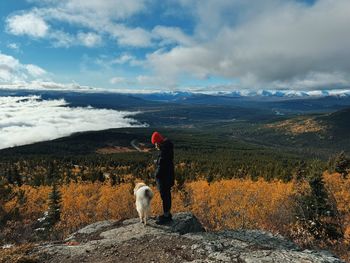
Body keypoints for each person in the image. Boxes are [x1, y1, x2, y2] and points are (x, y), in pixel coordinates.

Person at [151, 131, 175, 224]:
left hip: (164, 179)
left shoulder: (164, 152)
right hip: (168, 177)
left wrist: (155, 175)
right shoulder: (166, 149)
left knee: (165, 196)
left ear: (158, 142)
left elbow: (161, 168)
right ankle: (167, 214)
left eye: (155, 143)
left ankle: (166, 216)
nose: (155, 146)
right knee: (167, 196)